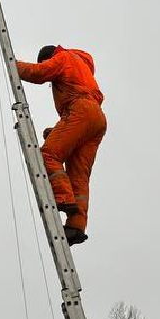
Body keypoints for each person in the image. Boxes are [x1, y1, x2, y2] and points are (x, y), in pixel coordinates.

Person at [16, 44, 106, 246]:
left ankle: (62, 198)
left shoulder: (63, 57)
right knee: (78, 175)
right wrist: (56, 131)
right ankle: (76, 226)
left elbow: (39, 73)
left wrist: (14, 65)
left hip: (80, 110)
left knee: (48, 155)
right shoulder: (80, 65)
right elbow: (78, 112)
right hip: (96, 118)